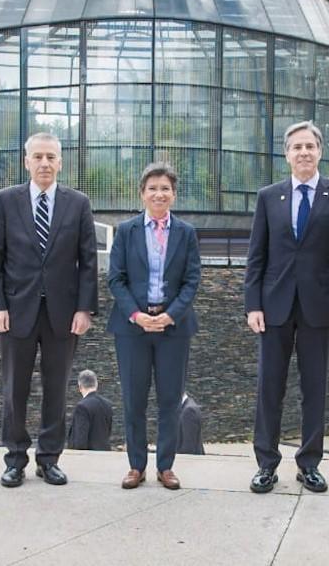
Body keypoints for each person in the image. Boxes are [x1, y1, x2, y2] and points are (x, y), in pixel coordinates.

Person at [244, 120, 329, 494]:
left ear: (320, 151)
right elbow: (256, 257)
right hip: (273, 307)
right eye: (297, 147)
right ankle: (266, 464)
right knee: (269, 389)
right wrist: (252, 304)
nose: (304, 153)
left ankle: (309, 463)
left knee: (314, 389)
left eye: (310, 146)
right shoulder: (268, 196)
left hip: (319, 308)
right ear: (287, 153)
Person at [0, 132, 98, 488]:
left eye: (51, 157)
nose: (45, 163)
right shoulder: (4, 202)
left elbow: (89, 262)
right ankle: (15, 459)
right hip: (16, 311)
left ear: (60, 162)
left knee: (56, 389)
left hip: (63, 315)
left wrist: (85, 309)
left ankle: (49, 459)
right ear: (27, 162)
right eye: (38, 157)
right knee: (14, 390)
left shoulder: (78, 204)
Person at [107, 162, 201, 491]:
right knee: (133, 399)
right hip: (132, 328)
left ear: (173, 195)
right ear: (142, 194)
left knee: (169, 399)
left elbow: (192, 281)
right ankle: (136, 466)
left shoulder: (186, 233)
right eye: (152, 188)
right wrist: (137, 315)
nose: (159, 194)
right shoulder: (126, 231)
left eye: (165, 188)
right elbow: (115, 279)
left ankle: (165, 466)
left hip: (173, 328)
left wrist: (170, 314)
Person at [68, 369, 113, 451]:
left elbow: (80, 440)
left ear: (80, 387)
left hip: (88, 458)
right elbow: (108, 431)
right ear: (96, 384)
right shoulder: (108, 404)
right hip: (105, 455)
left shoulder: (81, 407)